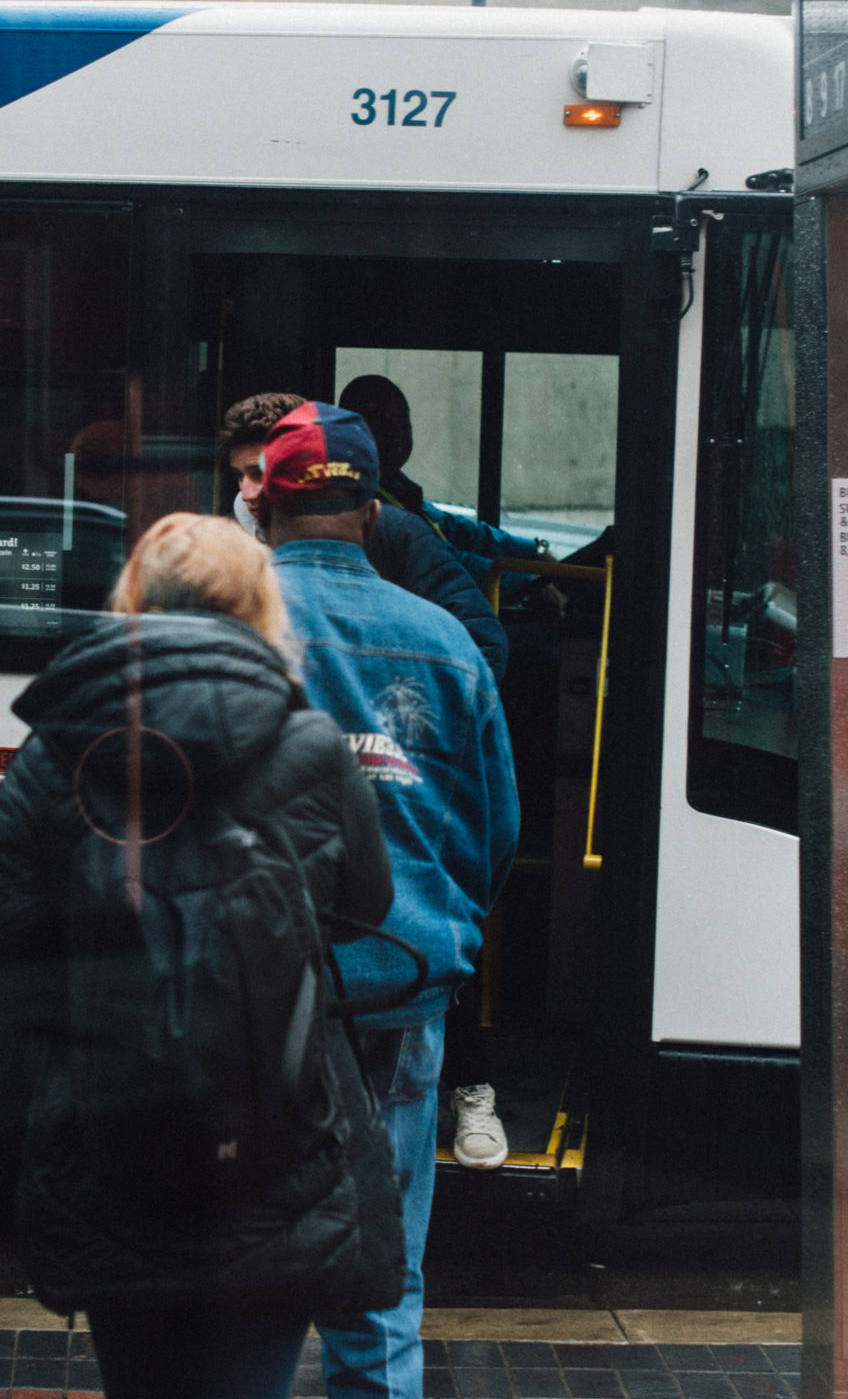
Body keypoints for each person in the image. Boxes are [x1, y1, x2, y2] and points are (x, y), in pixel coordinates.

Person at [0, 513, 402, 1399]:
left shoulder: (56, 756)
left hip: (110, 1148)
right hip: (279, 1145)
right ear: (258, 609)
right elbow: (368, 909)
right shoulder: (312, 746)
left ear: (131, 603)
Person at [250, 405, 520, 1399]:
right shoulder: (446, 643)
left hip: (246, 1007)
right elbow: (490, 836)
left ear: (265, 501)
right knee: (380, 1282)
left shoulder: (216, 627)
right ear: (371, 508)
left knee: (248, 1270)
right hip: (400, 993)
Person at [219, 392, 510, 683]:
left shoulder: (397, 533)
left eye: (260, 474)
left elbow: (482, 641)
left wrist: (402, 707)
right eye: (239, 475)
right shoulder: (221, 548)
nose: (247, 493)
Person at [336, 373, 557, 613]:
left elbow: (459, 530)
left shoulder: (396, 487)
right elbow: (444, 561)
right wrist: (527, 582)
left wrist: (534, 551)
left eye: (404, 423)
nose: (399, 434)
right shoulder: (366, 504)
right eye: (385, 423)